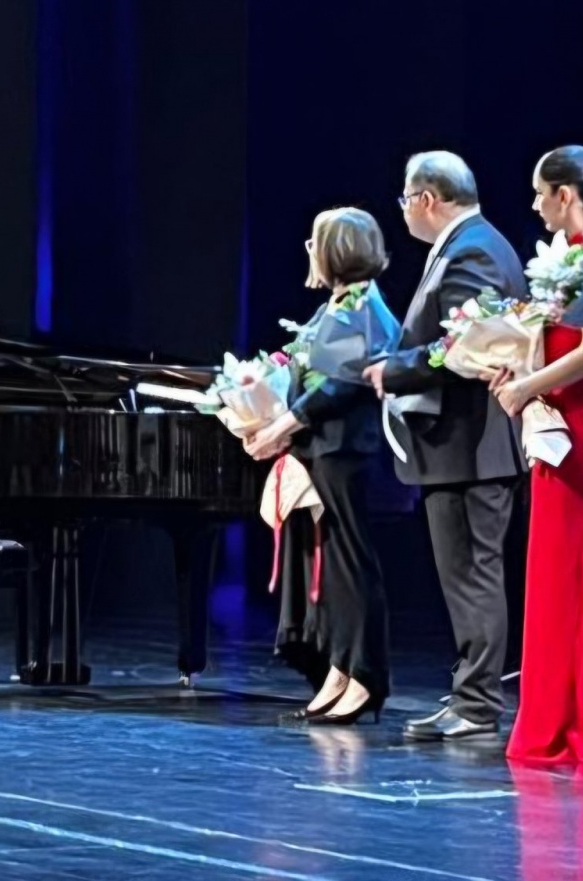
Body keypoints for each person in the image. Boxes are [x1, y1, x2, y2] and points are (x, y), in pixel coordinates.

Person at [359, 151, 527, 741]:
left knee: (473, 573)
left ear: (427, 199)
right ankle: (469, 693)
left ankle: (478, 704)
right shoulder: (466, 245)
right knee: (464, 575)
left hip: (472, 443)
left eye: (406, 200)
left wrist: (394, 370)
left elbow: (464, 347)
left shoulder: (473, 250)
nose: (404, 211)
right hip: (459, 446)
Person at [491, 145, 583, 764]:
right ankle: (557, 719)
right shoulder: (572, 253)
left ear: (564, 194)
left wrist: (525, 387)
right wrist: (518, 368)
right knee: (556, 580)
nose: (534, 205)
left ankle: (580, 728)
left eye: (539, 193)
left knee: (573, 581)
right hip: (561, 422)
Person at [244, 207, 391, 725]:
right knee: (325, 568)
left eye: (315, 242)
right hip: (320, 451)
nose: (309, 251)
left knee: (348, 565)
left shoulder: (361, 308)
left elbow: (340, 385)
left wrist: (281, 427)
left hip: (344, 453)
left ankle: (364, 674)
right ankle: (337, 666)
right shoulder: (338, 306)